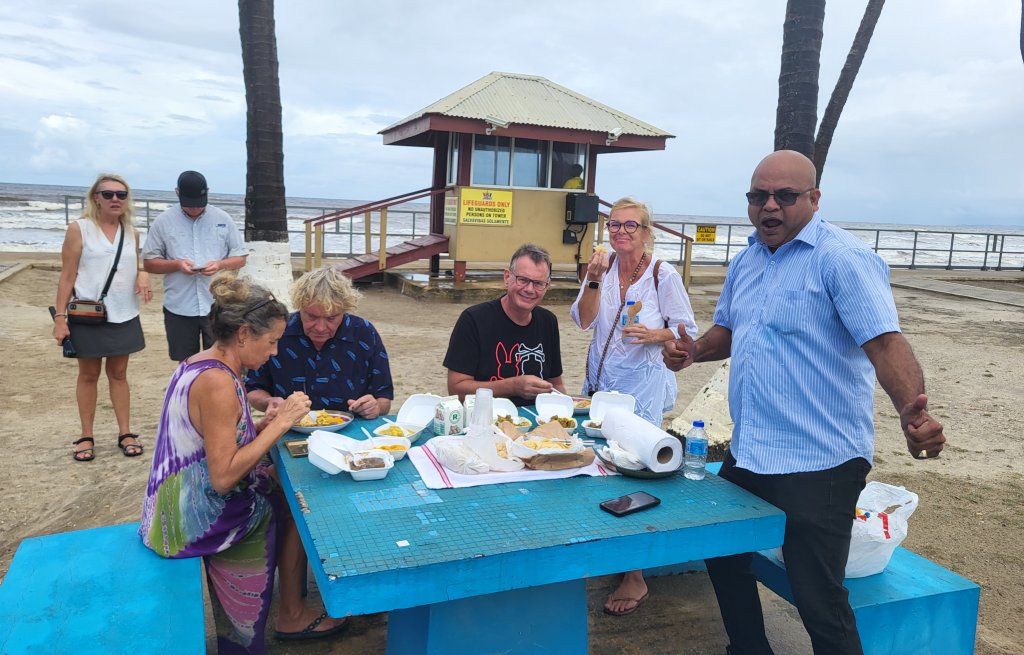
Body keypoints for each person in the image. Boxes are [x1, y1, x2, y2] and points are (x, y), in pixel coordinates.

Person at [663, 150, 946, 655]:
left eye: (785, 196)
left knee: (818, 597)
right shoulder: (748, 259)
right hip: (751, 452)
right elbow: (731, 328)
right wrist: (694, 352)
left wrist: (911, 411)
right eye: (758, 196)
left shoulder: (843, 259)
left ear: (814, 199)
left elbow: (884, 342)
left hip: (822, 461)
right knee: (723, 554)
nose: (769, 207)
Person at [139, 272, 347, 653]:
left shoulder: (201, 362)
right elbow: (222, 478)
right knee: (294, 500)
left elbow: (215, 437)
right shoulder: (219, 384)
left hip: (170, 504)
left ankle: (283, 609)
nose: (274, 352)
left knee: (281, 487)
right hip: (194, 519)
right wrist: (282, 423)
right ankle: (266, 624)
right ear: (243, 334)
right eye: (271, 342)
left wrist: (261, 423)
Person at [571, 197, 698, 617]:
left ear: (647, 232)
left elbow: (687, 331)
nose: (621, 232)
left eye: (631, 225)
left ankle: (636, 575)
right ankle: (607, 546)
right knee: (599, 464)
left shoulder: (663, 273)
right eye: (614, 225)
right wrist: (591, 279)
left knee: (634, 472)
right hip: (600, 384)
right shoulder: (602, 268)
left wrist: (657, 334)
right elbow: (584, 321)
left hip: (642, 388)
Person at [53, 173, 151, 461]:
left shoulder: (131, 233)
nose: (115, 199)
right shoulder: (79, 229)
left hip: (124, 312)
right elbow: (67, 275)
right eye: (107, 194)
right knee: (88, 375)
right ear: (96, 197)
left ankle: (125, 432)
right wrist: (60, 317)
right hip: (87, 315)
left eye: (121, 194)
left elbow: (132, 264)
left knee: (119, 375)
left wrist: (143, 273)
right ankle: (86, 436)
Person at [246, 265, 394, 418]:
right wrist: (268, 402)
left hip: (350, 430)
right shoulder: (279, 332)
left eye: (331, 318)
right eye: (311, 317)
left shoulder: (364, 333)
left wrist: (375, 407)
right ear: (299, 307)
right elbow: (253, 388)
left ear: (345, 310)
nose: (321, 328)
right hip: (290, 427)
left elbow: (384, 398)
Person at [142, 170, 247, 362]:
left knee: (222, 359)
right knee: (186, 362)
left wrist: (220, 264)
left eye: (199, 205)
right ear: (177, 193)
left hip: (218, 304)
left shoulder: (223, 218)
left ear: (207, 192)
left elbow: (240, 257)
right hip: (179, 306)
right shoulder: (163, 221)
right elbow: (149, 263)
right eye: (189, 205)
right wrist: (176, 265)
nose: (194, 209)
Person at [444, 243, 566, 405]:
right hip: (485, 419)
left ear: (547, 286)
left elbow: (556, 384)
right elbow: (456, 389)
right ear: (507, 277)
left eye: (538, 283)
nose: (530, 289)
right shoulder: (474, 320)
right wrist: (513, 386)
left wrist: (566, 407)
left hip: (537, 420)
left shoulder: (548, 321)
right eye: (523, 280)